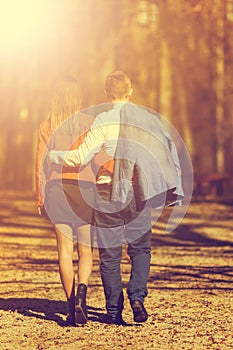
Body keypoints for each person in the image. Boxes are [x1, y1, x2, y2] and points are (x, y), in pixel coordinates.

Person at [49, 70, 184, 325]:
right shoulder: (146, 119)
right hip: (137, 190)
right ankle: (137, 297)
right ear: (130, 91)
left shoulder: (102, 119)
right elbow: (163, 150)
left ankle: (113, 310)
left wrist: (52, 155)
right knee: (140, 249)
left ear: (106, 93)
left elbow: (81, 157)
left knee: (110, 254)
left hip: (106, 192)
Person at [35, 77, 96, 326]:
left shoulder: (47, 126)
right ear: (77, 98)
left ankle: (72, 308)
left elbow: (40, 165)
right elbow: (98, 158)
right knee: (86, 251)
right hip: (84, 189)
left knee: (64, 251)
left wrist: (40, 197)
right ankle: (82, 296)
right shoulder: (89, 124)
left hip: (56, 189)